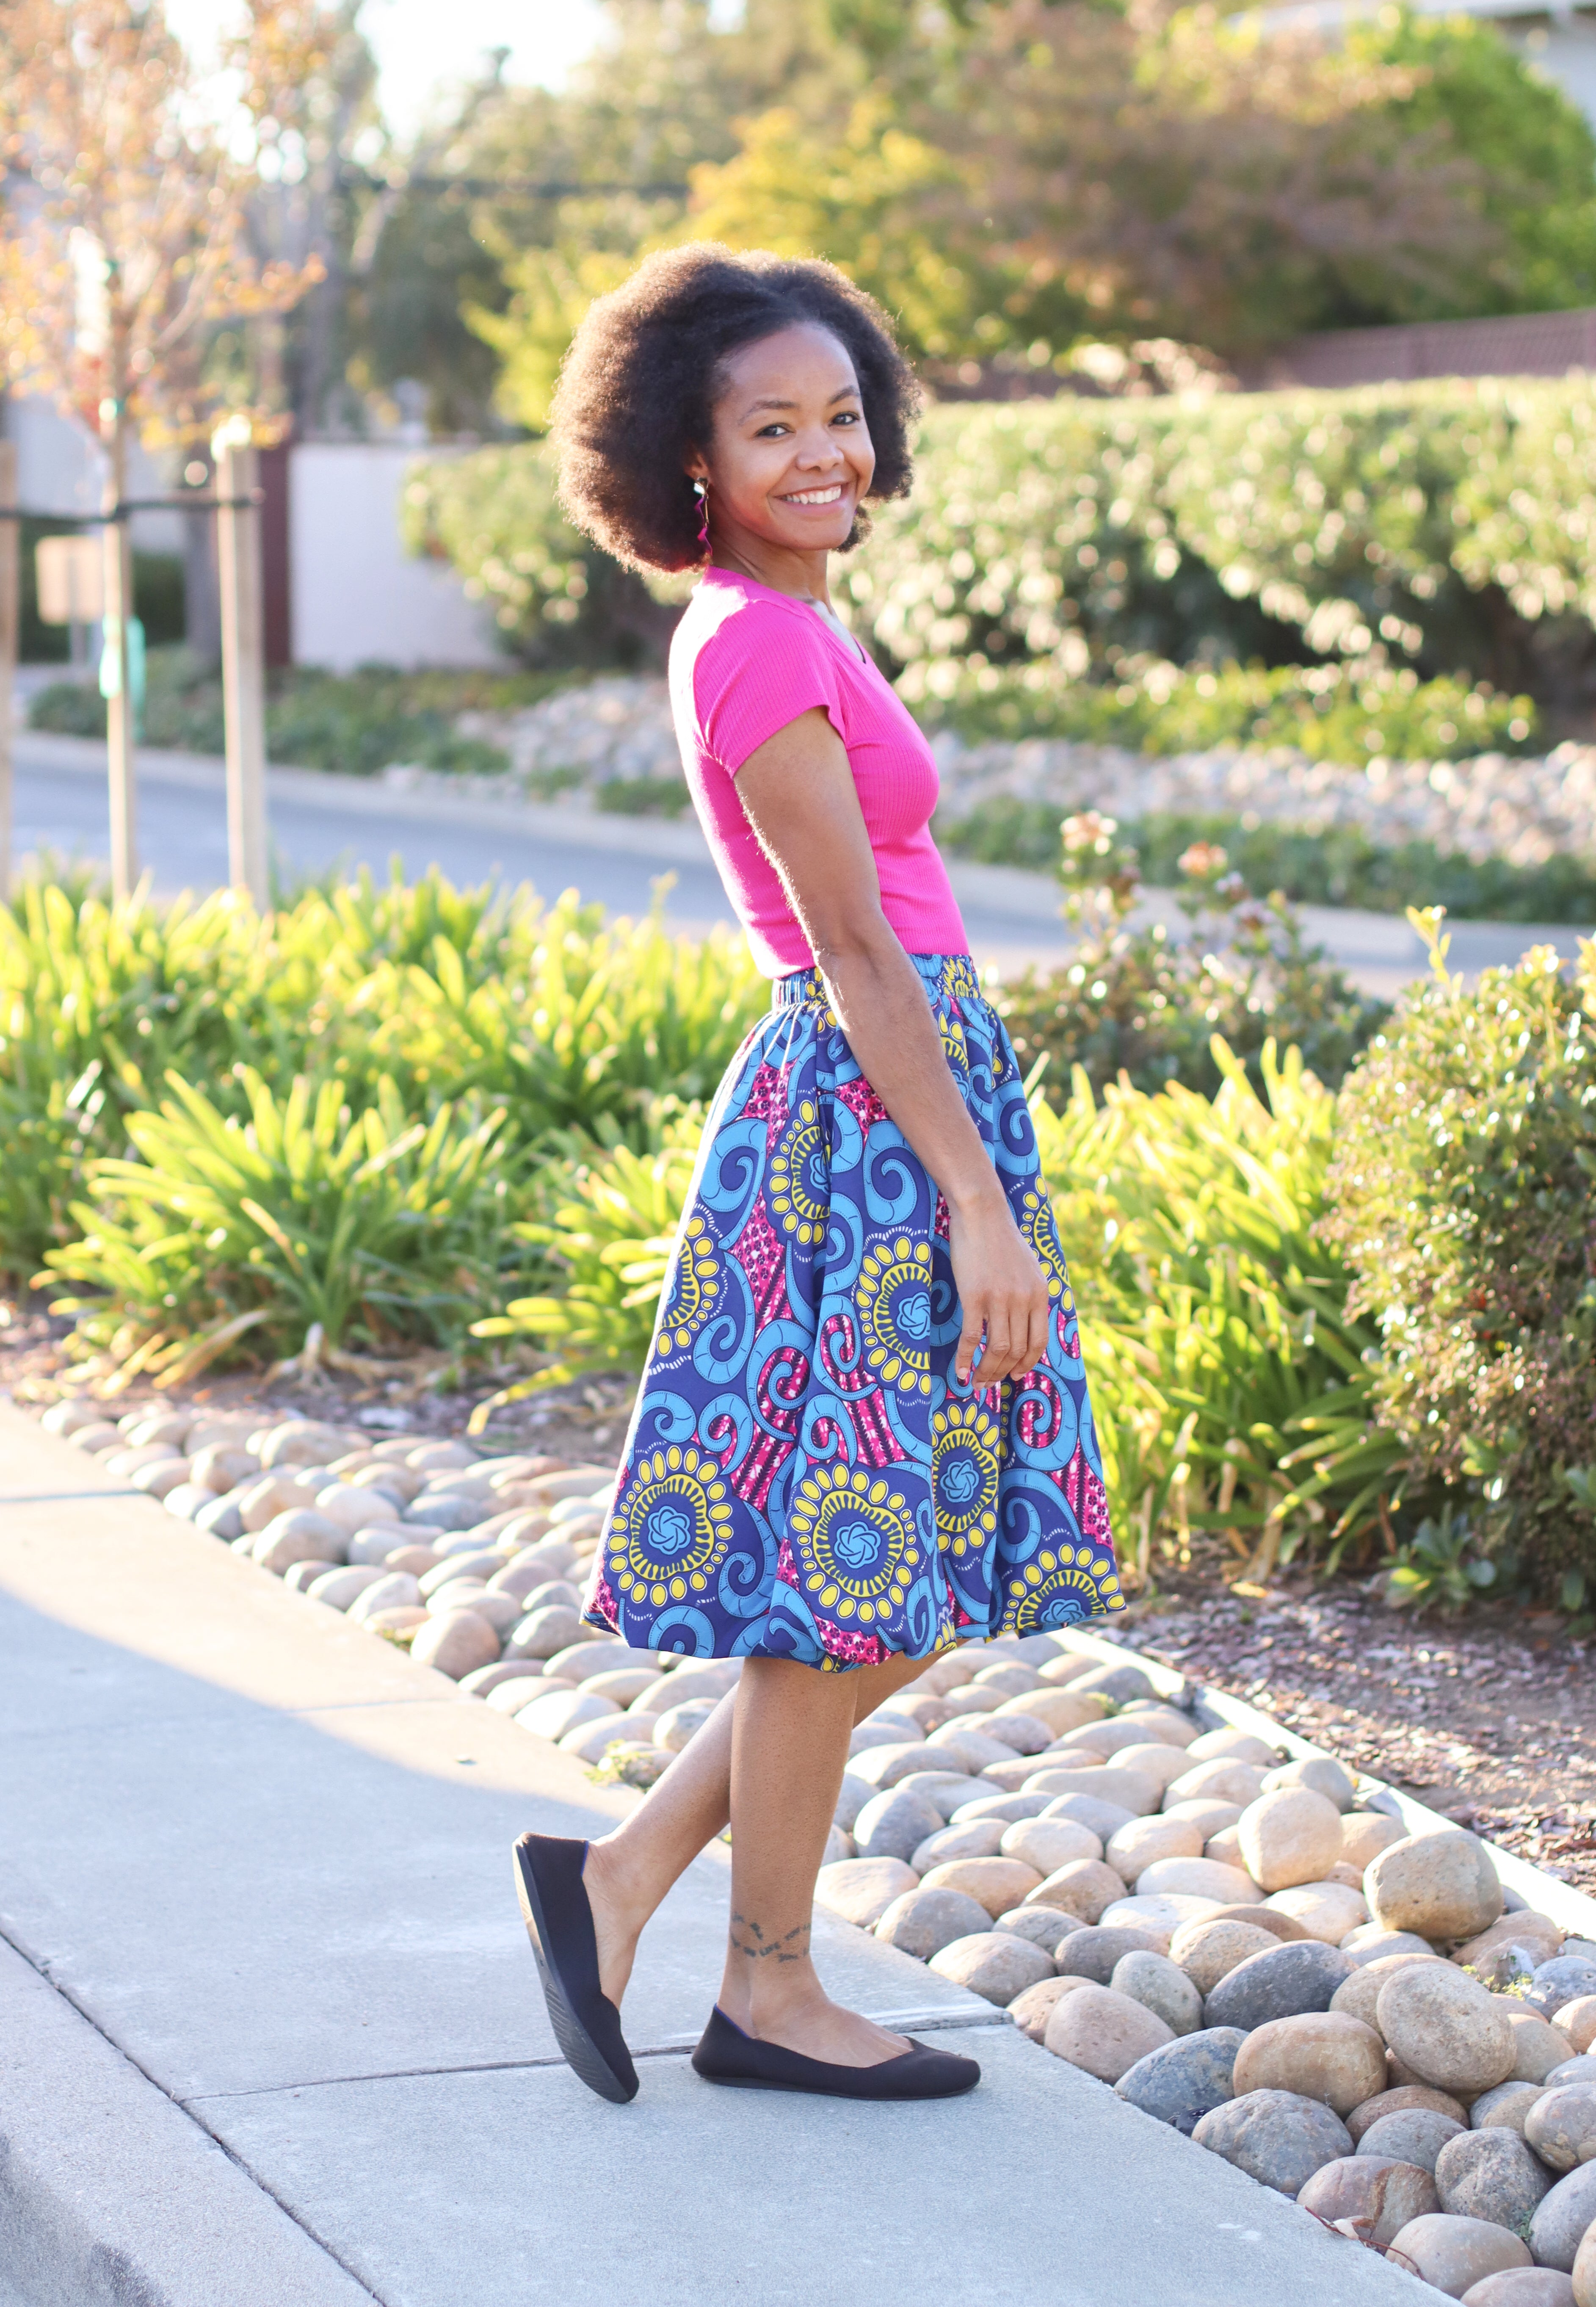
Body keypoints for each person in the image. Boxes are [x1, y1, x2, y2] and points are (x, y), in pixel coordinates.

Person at [512, 243, 1125, 2106]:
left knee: (901, 1562)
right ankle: (764, 1986)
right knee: (849, 1574)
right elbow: (854, 955)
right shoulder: (761, 639)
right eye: (768, 427)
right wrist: (976, 1199)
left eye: (840, 415)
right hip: (871, 1127)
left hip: (891, 1107)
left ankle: (622, 1879)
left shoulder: (783, 621)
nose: (820, 454)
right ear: (686, 458)